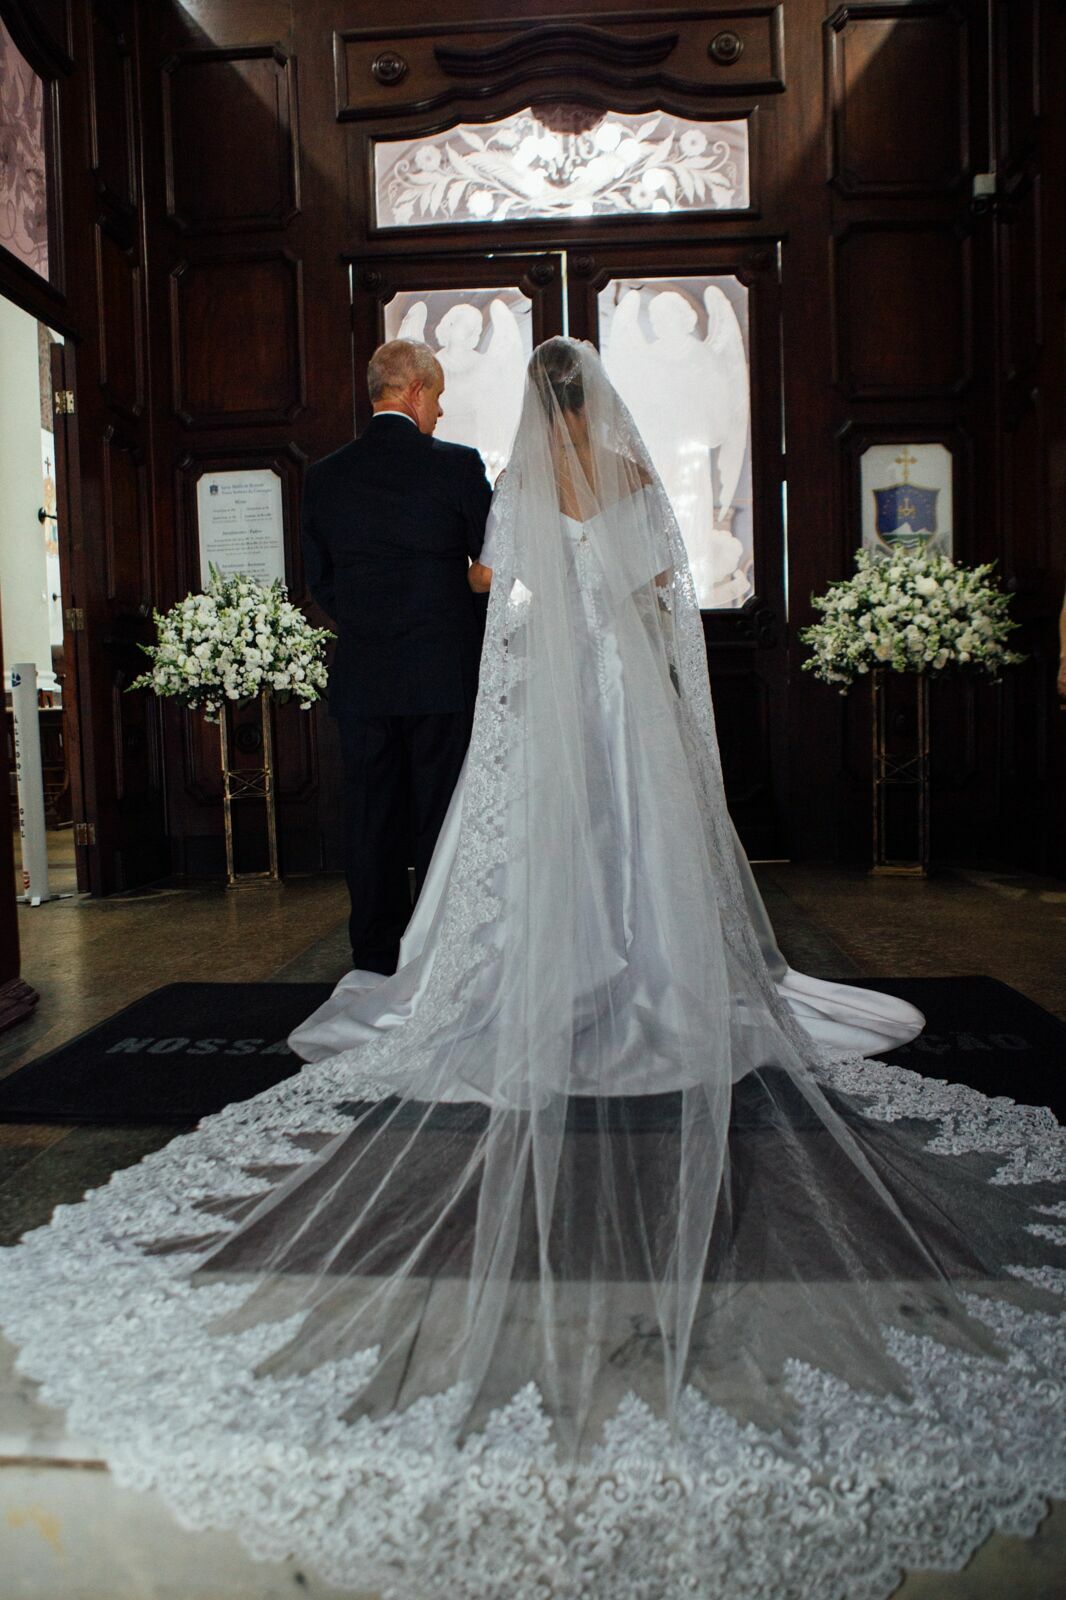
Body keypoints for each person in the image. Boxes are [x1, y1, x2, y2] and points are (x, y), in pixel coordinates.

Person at [0, 340, 1063, 1600]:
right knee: (639, 843)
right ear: (594, 404)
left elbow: (492, 586)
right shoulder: (614, 467)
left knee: (491, 847)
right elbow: (662, 585)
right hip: (621, 692)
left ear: (523, 407)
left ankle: (491, 968)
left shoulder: (477, 476)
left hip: (532, 691)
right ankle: (652, 971)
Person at [301, 337, 493, 973]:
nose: (439, 411)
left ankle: (376, 955)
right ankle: (439, 953)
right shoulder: (457, 466)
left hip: (364, 675)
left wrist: (367, 622)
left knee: (370, 818)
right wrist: (451, 614)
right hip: (442, 671)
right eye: (436, 396)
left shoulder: (325, 476)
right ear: (414, 391)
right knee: (441, 815)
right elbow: (489, 563)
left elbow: (319, 578)